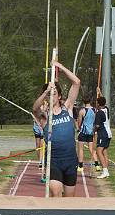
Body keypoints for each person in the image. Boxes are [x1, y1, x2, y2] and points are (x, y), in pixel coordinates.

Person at [32, 61, 81, 197]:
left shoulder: (68, 108)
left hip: (70, 160)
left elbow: (76, 82)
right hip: (54, 160)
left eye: (54, 94)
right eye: (49, 95)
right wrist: (47, 91)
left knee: (69, 199)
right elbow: (35, 108)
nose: (51, 96)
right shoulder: (45, 116)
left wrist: (61, 67)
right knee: (56, 193)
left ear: (59, 96)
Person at [76, 96, 98, 174]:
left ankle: (80, 166)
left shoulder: (82, 111)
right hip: (91, 132)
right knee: (91, 149)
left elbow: (79, 121)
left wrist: (78, 128)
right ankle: (97, 164)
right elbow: (96, 121)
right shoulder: (95, 110)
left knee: (81, 149)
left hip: (83, 132)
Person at [94, 96, 112, 179]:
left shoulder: (99, 113)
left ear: (98, 103)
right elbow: (103, 101)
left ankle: (104, 171)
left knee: (98, 151)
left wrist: (93, 131)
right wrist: (100, 92)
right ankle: (106, 171)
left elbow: (97, 125)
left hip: (103, 134)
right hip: (108, 134)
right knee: (104, 151)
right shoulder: (106, 109)